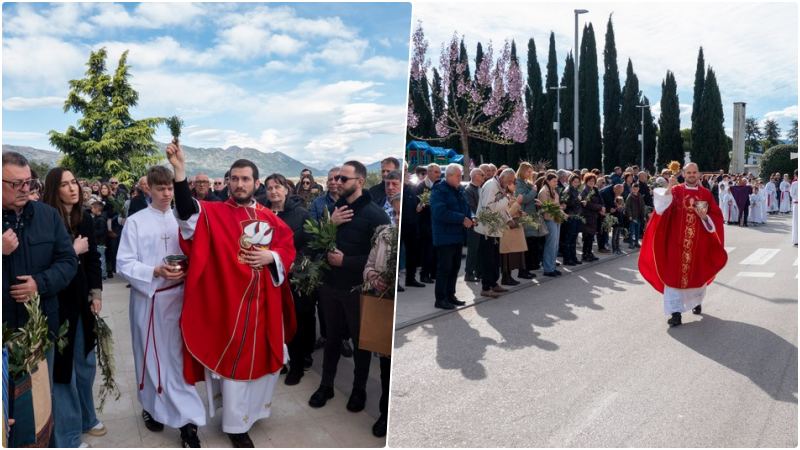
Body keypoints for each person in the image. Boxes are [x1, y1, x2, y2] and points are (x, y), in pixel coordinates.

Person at [166, 143, 296, 448]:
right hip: (229, 302)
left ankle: (253, 413)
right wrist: (179, 171)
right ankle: (236, 427)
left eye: (245, 179)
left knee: (264, 361)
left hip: (264, 304)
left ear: (256, 183)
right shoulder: (213, 212)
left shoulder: (270, 218)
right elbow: (186, 212)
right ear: (228, 181)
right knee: (236, 364)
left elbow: (287, 249)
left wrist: (272, 257)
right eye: (234, 178)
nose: (239, 184)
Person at [116, 166, 206, 447]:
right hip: (149, 300)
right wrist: (154, 271)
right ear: (149, 189)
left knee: (177, 361)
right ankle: (150, 407)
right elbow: (123, 263)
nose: (167, 194)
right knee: (149, 358)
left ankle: (188, 422)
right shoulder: (136, 222)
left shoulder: (183, 219)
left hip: (180, 298)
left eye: (170, 188)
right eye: (160, 188)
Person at [308, 160, 390, 413]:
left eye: (343, 179)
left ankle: (358, 390)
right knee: (332, 338)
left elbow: (382, 260)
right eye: (336, 178)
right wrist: (330, 224)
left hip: (357, 290)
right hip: (330, 286)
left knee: (359, 343)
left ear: (360, 181)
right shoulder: (335, 209)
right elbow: (317, 244)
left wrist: (346, 261)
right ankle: (326, 385)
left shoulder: (376, 215)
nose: (337, 182)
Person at [41, 168, 105, 448]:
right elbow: (44, 263)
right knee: (63, 371)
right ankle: (67, 436)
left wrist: (96, 292)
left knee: (86, 362)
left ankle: (86, 418)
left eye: (74, 183)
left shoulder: (84, 219)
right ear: (54, 190)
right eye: (64, 184)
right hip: (59, 307)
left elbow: (93, 261)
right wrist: (72, 250)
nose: (72, 188)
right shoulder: (45, 221)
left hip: (82, 302)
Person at [2, 152, 77, 382]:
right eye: (16, 183)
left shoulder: (48, 216)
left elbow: (68, 261)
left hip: (41, 330)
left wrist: (39, 284)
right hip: (4, 332)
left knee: (41, 397)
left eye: (29, 182)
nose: (25, 189)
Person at [639, 163, 727, 327]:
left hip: (698, 244)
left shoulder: (705, 194)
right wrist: (669, 187)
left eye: (694, 172)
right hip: (676, 243)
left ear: (698, 174)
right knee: (673, 276)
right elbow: (661, 208)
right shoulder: (676, 190)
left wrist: (705, 217)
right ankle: (675, 313)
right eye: (689, 172)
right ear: (684, 174)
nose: (692, 175)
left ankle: (696, 302)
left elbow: (716, 216)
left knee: (697, 274)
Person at [262, 173, 314, 386]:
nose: (273, 191)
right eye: (269, 188)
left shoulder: (301, 214)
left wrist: (295, 263)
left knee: (296, 322)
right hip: (268, 277)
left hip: (293, 277)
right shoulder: (261, 213)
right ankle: (278, 360)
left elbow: (310, 244)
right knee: (273, 321)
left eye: (277, 187)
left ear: (286, 189)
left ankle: (297, 366)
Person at [362, 192, 401, 438]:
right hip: (382, 302)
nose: (396, 218)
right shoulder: (384, 234)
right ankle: (384, 413)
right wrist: (373, 277)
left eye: (400, 213)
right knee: (386, 366)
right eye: (394, 213)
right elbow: (368, 265)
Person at [430, 163, 472, 310]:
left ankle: (450, 295)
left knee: (455, 267)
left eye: (461, 176)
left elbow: (465, 207)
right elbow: (440, 213)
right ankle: (440, 299)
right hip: (444, 236)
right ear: (448, 176)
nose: (460, 178)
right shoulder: (439, 190)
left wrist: (470, 217)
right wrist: (462, 218)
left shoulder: (458, 190)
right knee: (444, 268)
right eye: (458, 176)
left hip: (457, 235)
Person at [475, 169, 513, 296]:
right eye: (508, 181)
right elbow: (489, 207)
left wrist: (508, 219)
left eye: (511, 181)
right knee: (488, 259)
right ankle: (486, 288)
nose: (510, 183)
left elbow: (501, 208)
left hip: (495, 229)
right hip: (487, 229)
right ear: (502, 177)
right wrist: (506, 200)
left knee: (495, 259)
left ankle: (493, 283)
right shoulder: (491, 185)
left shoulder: (499, 185)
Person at [414, 164, 441, 284]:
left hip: (436, 223)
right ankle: (424, 274)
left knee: (435, 250)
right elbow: (417, 207)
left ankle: (434, 273)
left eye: (439, 172)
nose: (438, 175)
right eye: (436, 172)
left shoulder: (438, 185)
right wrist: (422, 204)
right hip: (425, 223)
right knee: (427, 251)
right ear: (429, 173)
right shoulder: (421, 187)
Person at [515, 163, 540, 278]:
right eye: (528, 171)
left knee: (530, 245)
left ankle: (527, 269)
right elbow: (522, 199)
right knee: (525, 246)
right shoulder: (518, 182)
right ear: (522, 171)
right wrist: (534, 191)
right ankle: (523, 271)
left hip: (530, 217)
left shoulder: (526, 182)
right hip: (524, 218)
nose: (530, 173)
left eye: (531, 171)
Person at [538, 173, 563, 277]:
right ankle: (548, 269)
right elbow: (544, 208)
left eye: (557, 181)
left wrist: (561, 211)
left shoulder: (553, 190)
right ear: (548, 181)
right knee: (550, 244)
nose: (556, 183)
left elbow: (556, 204)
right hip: (549, 219)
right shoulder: (544, 191)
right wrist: (557, 209)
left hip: (556, 218)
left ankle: (552, 267)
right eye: (554, 181)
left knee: (555, 245)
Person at [463, 168, 485, 282]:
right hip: (473, 224)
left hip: (481, 223)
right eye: (482, 174)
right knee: (473, 250)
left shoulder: (479, 188)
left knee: (479, 250)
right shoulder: (468, 189)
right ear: (476, 176)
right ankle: (469, 273)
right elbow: (471, 207)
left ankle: (478, 272)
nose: (484, 176)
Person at [580, 173, 604, 262]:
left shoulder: (595, 189)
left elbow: (601, 200)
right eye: (590, 181)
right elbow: (586, 204)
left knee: (591, 236)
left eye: (593, 181)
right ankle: (585, 254)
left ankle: (589, 253)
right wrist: (599, 207)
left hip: (594, 216)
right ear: (586, 181)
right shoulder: (584, 191)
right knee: (587, 236)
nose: (592, 182)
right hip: (587, 216)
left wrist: (603, 207)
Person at [560, 174, 583, 266]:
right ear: (571, 181)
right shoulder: (567, 190)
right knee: (568, 239)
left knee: (573, 238)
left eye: (578, 182)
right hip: (570, 216)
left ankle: (573, 257)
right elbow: (565, 204)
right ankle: (567, 259)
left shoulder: (576, 190)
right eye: (575, 182)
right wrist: (577, 199)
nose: (576, 183)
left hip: (576, 216)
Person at [625, 182, 646, 248]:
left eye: (636, 189)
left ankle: (636, 242)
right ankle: (631, 243)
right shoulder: (630, 196)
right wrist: (630, 215)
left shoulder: (640, 196)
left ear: (638, 189)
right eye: (634, 188)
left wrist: (643, 215)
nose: (635, 190)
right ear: (632, 189)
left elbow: (643, 206)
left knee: (637, 231)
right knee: (632, 231)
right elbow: (627, 207)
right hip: (633, 216)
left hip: (639, 216)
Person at [792, 170, 798, 246]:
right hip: (797, 204)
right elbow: (792, 194)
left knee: (796, 222)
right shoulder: (794, 184)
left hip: (796, 204)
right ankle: (796, 239)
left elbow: (791, 194)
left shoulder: (794, 183)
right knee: (796, 222)